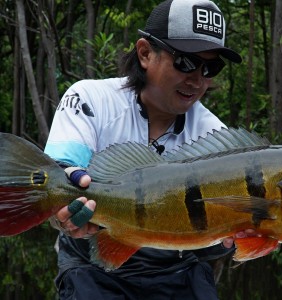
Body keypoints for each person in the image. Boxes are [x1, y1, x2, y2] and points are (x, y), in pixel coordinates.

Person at [45, 0, 251, 299]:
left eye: (210, 67)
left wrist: (231, 239)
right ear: (145, 53)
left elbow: (215, 239)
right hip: (93, 264)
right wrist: (61, 204)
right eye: (186, 61)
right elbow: (61, 173)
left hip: (178, 268)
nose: (196, 79)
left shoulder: (214, 136)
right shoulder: (90, 98)